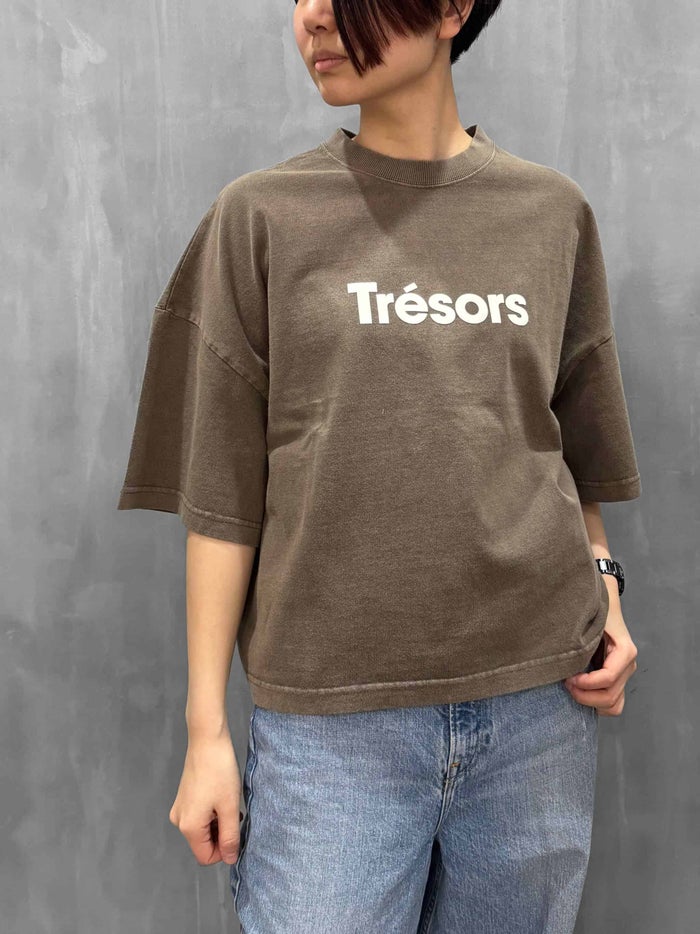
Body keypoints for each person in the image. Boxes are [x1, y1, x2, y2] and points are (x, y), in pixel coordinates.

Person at [116, 1, 642, 930]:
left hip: (536, 712)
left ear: (452, 9)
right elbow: (222, 499)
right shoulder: (262, 217)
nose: (312, 17)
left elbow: (570, 450)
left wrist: (607, 590)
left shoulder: (551, 213)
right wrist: (206, 731)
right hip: (331, 732)